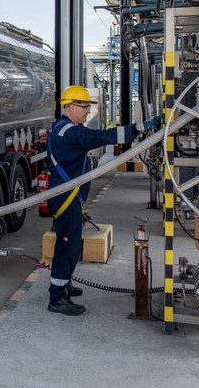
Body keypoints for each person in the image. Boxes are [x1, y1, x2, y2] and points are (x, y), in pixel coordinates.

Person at [46, 85, 162, 316]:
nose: (88, 111)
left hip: (68, 197)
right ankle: (56, 297)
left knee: (70, 243)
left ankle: (64, 283)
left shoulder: (61, 128)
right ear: (70, 106)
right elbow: (102, 137)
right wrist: (140, 127)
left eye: (88, 106)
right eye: (84, 106)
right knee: (68, 247)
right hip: (66, 198)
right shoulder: (70, 132)